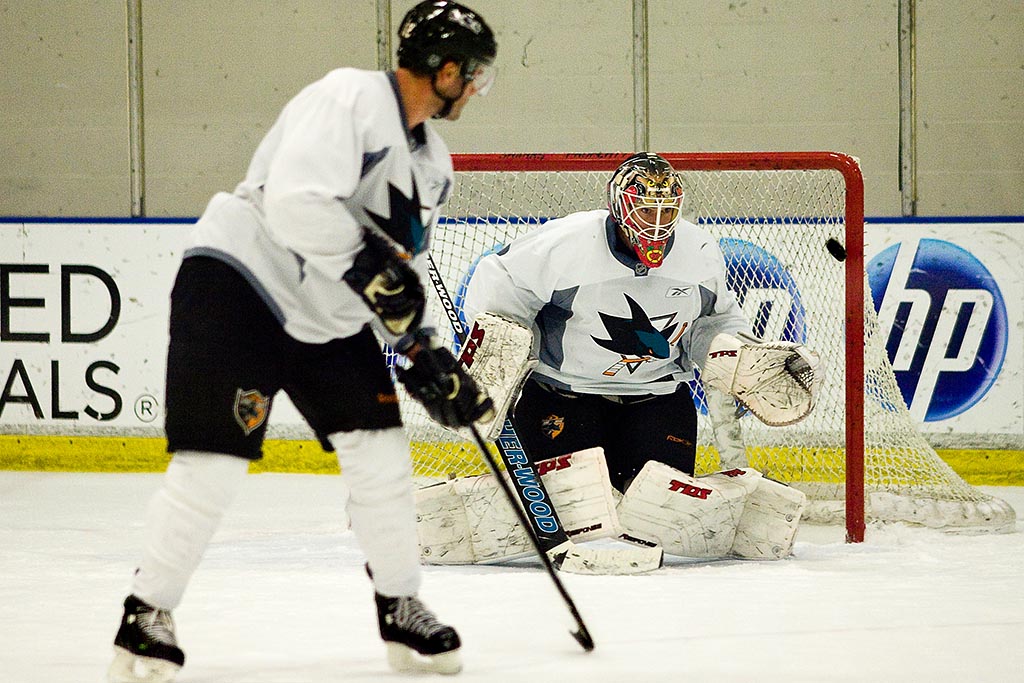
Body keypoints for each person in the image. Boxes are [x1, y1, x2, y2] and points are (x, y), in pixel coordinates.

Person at [108, 2, 497, 680]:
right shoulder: (348, 95)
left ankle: (401, 603)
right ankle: (146, 614)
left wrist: (422, 350)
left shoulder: (434, 164)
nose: (476, 91)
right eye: (476, 77)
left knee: (380, 452)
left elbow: (395, 272)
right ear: (446, 69)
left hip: (327, 315)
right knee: (215, 461)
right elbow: (294, 201)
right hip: (241, 282)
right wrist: (373, 271)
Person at [461, 152, 752, 494]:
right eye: (646, 210)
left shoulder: (698, 250)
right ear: (621, 208)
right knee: (573, 510)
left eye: (667, 211)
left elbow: (716, 321)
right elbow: (500, 283)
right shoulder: (568, 242)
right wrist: (497, 356)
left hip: (657, 398)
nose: (657, 222)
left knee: (657, 512)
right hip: (564, 397)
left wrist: (742, 357)